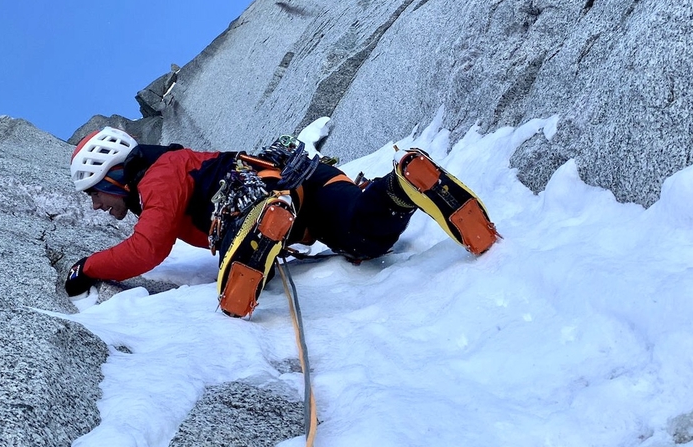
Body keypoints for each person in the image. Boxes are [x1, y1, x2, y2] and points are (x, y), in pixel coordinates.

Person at [63, 126, 496, 317]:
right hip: (307, 179)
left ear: (115, 174)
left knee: (235, 221)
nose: (97, 207)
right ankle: (402, 185)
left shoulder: (159, 175)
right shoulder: (170, 168)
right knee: (365, 236)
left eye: (96, 194)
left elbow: (148, 249)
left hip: (261, 194)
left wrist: (87, 267)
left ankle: (255, 235)